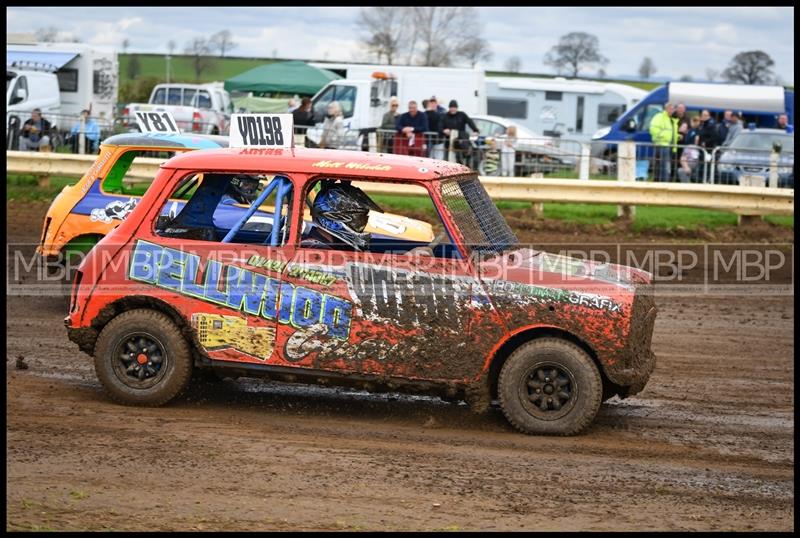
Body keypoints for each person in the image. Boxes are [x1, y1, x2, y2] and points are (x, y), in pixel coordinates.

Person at [301, 180, 384, 251]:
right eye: (358, 221)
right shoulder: (314, 250)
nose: (361, 226)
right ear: (333, 220)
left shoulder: (335, 246)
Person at [441, 99, 479, 165]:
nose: (453, 109)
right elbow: (440, 126)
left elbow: (470, 122)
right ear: (449, 108)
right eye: (451, 107)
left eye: (454, 107)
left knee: (461, 155)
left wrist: (475, 130)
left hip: (461, 140)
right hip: (449, 141)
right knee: (449, 158)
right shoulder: (445, 116)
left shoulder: (462, 115)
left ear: (456, 108)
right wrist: (443, 130)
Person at [648, 102, 678, 182]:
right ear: (667, 108)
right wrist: (662, 136)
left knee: (662, 166)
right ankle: (663, 184)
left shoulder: (671, 119)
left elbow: (671, 133)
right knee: (664, 167)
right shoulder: (659, 117)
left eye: (673, 109)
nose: (673, 110)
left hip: (669, 146)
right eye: (671, 109)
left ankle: (659, 182)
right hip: (661, 145)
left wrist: (677, 137)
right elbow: (653, 129)